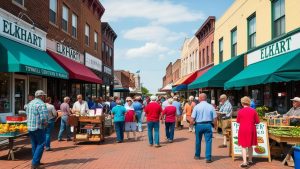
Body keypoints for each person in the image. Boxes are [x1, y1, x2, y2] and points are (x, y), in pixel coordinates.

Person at [190, 93, 217, 163]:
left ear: (201, 98)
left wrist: (191, 125)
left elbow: (192, 118)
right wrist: (215, 126)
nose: (198, 99)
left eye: (199, 98)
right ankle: (208, 157)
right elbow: (215, 118)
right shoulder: (211, 106)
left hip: (198, 125)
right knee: (208, 141)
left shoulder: (196, 107)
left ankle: (197, 155)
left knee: (198, 140)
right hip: (208, 125)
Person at [26, 90, 48, 169]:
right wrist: (46, 124)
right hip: (38, 127)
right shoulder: (41, 104)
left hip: (30, 127)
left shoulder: (30, 103)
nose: (44, 97)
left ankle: (36, 161)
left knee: (34, 144)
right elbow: (44, 117)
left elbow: (27, 114)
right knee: (41, 144)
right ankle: (35, 163)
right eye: (44, 96)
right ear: (41, 96)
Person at [237, 96, 260, 168]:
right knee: (250, 145)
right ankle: (250, 160)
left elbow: (238, 121)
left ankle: (244, 162)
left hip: (243, 129)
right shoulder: (253, 111)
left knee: (243, 146)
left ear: (242, 103)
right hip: (251, 129)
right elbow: (258, 121)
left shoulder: (240, 111)